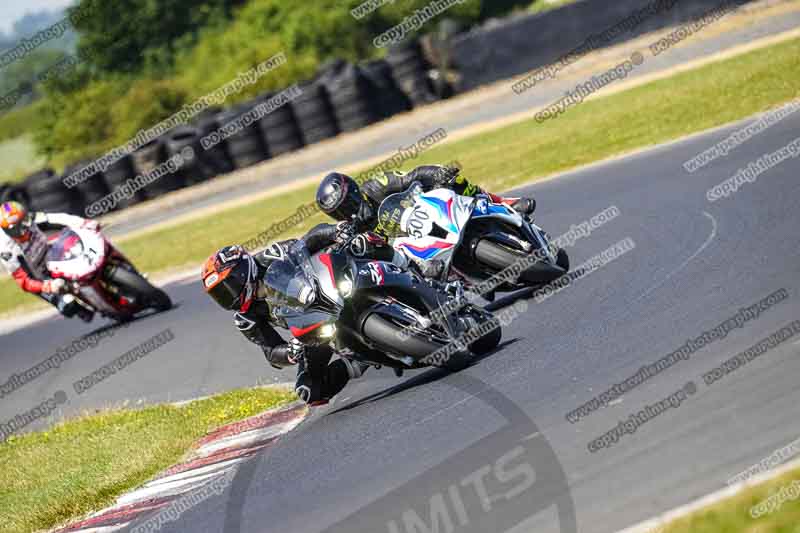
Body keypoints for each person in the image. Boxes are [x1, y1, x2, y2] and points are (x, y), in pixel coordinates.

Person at [201, 223, 400, 405]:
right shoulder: (245, 318)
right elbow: (271, 352)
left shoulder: (272, 256)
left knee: (363, 243)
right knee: (309, 390)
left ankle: (408, 263)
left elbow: (307, 241)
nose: (229, 297)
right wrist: (290, 352)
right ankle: (359, 360)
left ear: (241, 271)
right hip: (314, 326)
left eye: (228, 287)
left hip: (331, 287)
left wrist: (335, 232)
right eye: (220, 295)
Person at [315, 165, 536, 277]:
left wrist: (438, 174)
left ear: (354, 191)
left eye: (349, 203)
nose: (348, 211)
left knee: (454, 179)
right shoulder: (350, 232)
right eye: (339, 212)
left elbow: (411, 176)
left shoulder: (377, 185)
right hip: (415, 253)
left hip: (427, 215)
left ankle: (501, 201)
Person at [0, 201, 96, 321]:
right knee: (68, 305)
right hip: (38, 276)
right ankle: (81, 310)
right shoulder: (5, 250)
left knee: (84, 258)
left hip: (51, 253)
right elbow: (24, 281)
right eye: (14, 230)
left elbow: (58, 218)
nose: (21, 230)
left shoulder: (31, 218)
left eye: (21, 223)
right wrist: (48, 286)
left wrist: (83, 222)